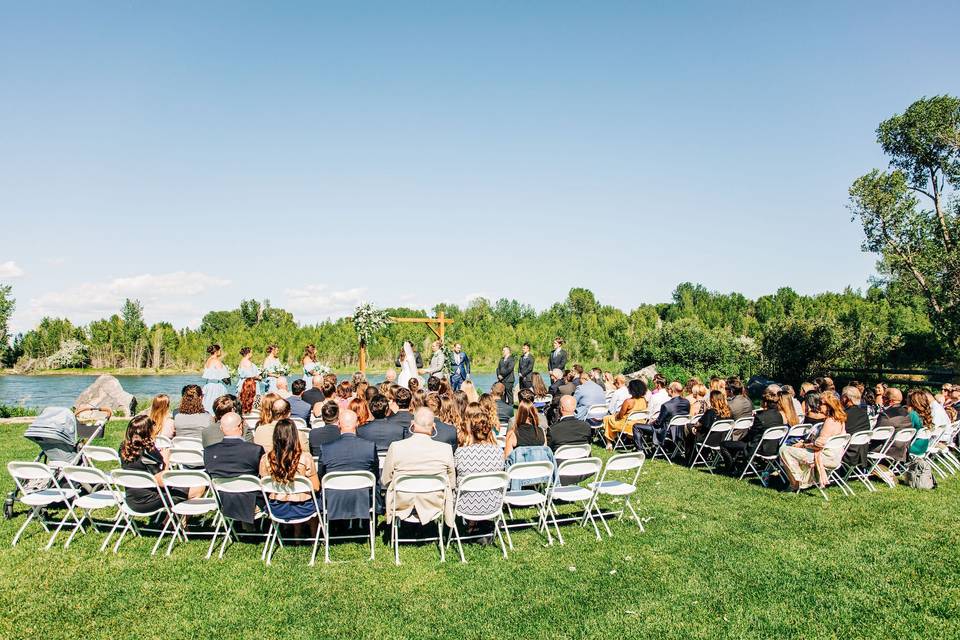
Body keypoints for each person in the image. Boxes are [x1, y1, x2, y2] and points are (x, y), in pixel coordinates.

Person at [381, 408, 457, 525]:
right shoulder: (445, 449)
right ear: (433, 426)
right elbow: (451, 482)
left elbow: (385, 479)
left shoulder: (396, 447)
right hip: (434, 501)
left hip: (402, 500)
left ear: (413, 424)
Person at [119, 415, 203, 514]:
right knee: (199, 488)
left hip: (131, 499)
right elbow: (163, 482)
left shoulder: (123, 448)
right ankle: (173, 524)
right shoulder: (148, 452)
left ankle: (169, 522)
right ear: (148, 431)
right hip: (148, 501)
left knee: (184, 487)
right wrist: (165, 461)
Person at [317, 409, 382, 520]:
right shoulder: (369, 446)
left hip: (334, 497)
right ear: (357, 423)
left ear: (338, 424)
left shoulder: (326, 448)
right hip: (363, 495)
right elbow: (375, 474)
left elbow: (321, 475)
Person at [203, 413, 265, 524]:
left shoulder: (209, 451)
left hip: (225, 502)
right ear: (241, 426)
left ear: (221, 428)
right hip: (252, 502)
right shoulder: (255, 450)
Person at [259, 419, 321, 523]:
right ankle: (312, 536)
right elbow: (315, 487)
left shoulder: (266, 459)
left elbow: (265, 486)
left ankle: (294, 532)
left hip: (276, 508)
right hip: (303, 509)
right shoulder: (305, 457)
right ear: (295, 436)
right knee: (316, 498)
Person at [781, 393, 847, 491]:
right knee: (793, 448)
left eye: (821, 403)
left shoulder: (830, 421)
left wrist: (803, 445)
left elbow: (818, 445)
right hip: (835, 456)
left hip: (826, 457)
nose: (819, 405)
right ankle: (802, 479)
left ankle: (796, 482)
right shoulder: (840, 419)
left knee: (784, 449)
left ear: (829, 406)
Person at [454, 402, 504, 517]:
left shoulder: (461, 452)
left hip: (464, 505)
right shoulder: (498, 452)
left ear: (471, 430)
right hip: (493, 504)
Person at [720, 385, 784, 473]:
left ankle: (730, 469)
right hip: (773, 448)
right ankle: (741, 465)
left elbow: (751, 435)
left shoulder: (760, 417)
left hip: (756, 448)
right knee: (736, 443)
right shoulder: (778, 415)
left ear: (765, 403)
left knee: (724, 444)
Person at [634, 381, 689, 453]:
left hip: (666, 431)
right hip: (680, 431)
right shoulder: (686, 402)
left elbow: (658, 424)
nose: (667, 390)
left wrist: (651, 422)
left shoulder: (666, 405)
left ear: (671, 390)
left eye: (668, 389)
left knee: (636, 426)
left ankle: (640, 450)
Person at [685, 390, 731, 465]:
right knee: (693, 429)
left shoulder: (711, 412)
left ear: (712, 399)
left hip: (708, 440)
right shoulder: (728, 412)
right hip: (722, 439)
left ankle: (690, 457)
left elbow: (699, 423)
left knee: (689, 427)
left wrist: (694, 427)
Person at [603, 379, 648, 449]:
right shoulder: (644, 400)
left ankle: (609, 443)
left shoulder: (628, 401)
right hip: (641, 423)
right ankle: (619, 441)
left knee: (607, 418)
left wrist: (616, 415)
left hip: (628, 425)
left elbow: (620, 416)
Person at [201, 344, 231, 414]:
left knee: (207, 401)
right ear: (216, 351)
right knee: (217, 403)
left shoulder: (208, 360)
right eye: (220, 350)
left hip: (208, 384)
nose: (220, 352)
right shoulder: (216, 361)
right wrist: (228, 380)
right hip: (216, 386)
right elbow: (223, 375)